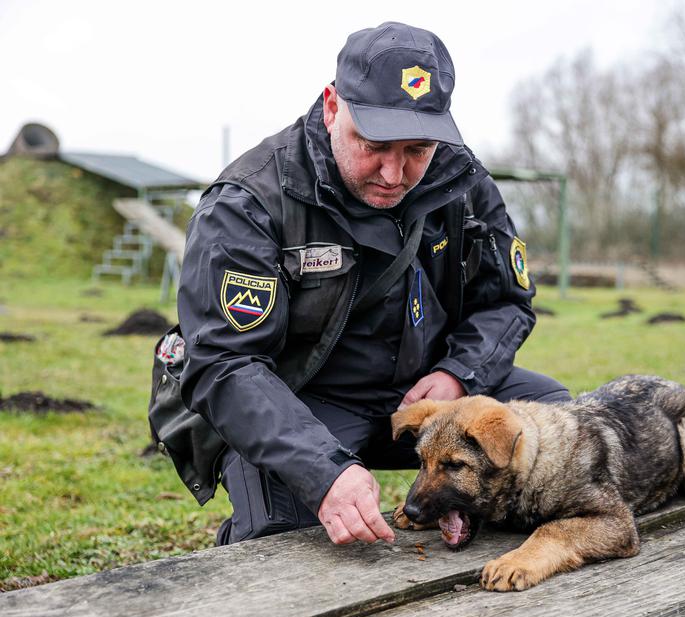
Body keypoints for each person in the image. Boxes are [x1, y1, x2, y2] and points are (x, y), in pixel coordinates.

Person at [177, 21, 571, 547]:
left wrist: (458, 375)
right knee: (285, 539)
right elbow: (227, 365)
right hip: (308, 401)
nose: (393, 173)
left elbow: (507, 302)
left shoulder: (461, 181)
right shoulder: (250, 203)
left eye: (416, 150)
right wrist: (324, 470)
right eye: (375, 144)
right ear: (333, 105)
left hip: (427, 397)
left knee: (553, 426)